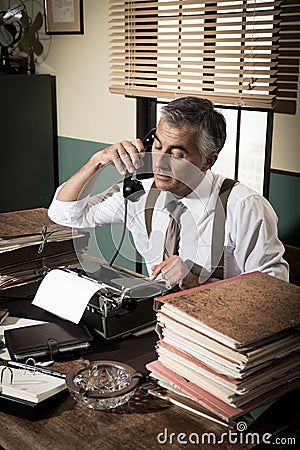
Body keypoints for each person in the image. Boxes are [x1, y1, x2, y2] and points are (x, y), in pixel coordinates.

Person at [48, 97, 289, 289]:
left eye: (177, 154)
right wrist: (97, 161)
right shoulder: (138, 194)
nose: (159, 162)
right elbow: (64, 214)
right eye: (158, 145)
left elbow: (272, 296)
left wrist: (196, 283)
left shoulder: (246, 207)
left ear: (208, 160)